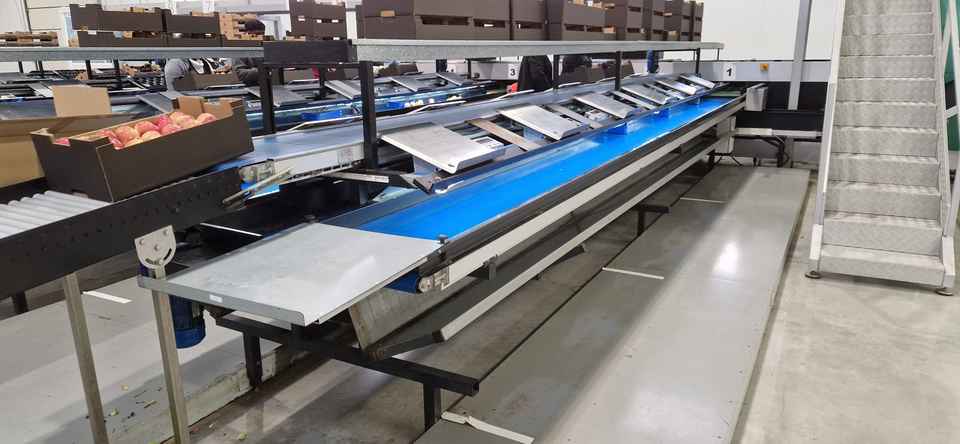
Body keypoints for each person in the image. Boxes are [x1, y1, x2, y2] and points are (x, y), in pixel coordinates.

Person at [230, 19, 267, 86]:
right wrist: (262, 71)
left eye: (262, 34)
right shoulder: (242, 49)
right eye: (257, 34)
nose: (260, 37)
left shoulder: (266, 46)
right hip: (251, 86)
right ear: (247, 33)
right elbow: (240, 73)